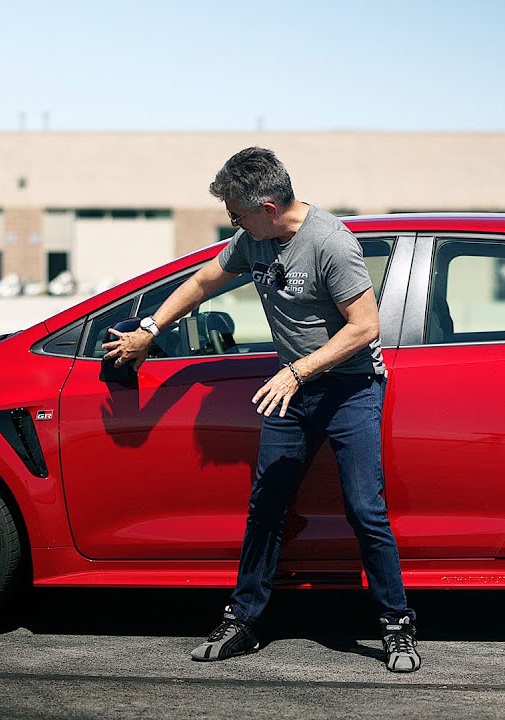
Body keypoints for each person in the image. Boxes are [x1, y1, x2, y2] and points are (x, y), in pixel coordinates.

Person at [104, 147, 420, 673]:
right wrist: (150, 330)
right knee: (267, 504)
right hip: (293, 390)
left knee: (365, 508)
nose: (234, 224)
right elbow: (203, 282)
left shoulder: (331, 242)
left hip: (350, 388)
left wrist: (297, 371)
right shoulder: (254, 238)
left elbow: (365, 327)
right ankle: (244, 619)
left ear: (268, 208)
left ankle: (396, 624)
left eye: (237, 215)